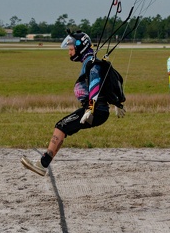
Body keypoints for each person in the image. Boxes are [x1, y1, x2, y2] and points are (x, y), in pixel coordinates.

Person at [21, 31, 111, 177]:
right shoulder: (89, 59)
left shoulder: (90, 62)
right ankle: (43, 163)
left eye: (70, 49)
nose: (69, 53)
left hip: (95, 109)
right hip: (96, 109)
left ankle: (42, 165)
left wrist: (91, 107)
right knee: (64, 127)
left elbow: (95, 81)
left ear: (79, 48)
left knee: (61, 126)